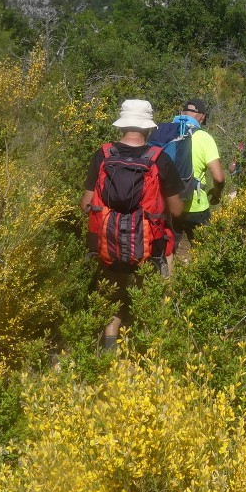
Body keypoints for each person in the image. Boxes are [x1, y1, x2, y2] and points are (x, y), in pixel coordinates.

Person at [80, 99, 185, 351]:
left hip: (108, 245)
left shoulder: (103, 155)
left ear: (121, 125)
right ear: (149, 128)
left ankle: (108, 350)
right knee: (151, 297)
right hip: (149, 247)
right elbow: (177, 209)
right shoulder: (159, 159)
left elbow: (85, 205)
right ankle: (146, 353)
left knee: (113, 297)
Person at [172, 98, 225, 248]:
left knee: (168, 251)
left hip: (168, 202)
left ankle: (168, 272)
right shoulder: (204, 138)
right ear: (202, 116)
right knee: (204, 251)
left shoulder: (165, 133)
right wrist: (217, 193)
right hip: (195, 206)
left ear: (182, 112)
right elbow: (219, 178)